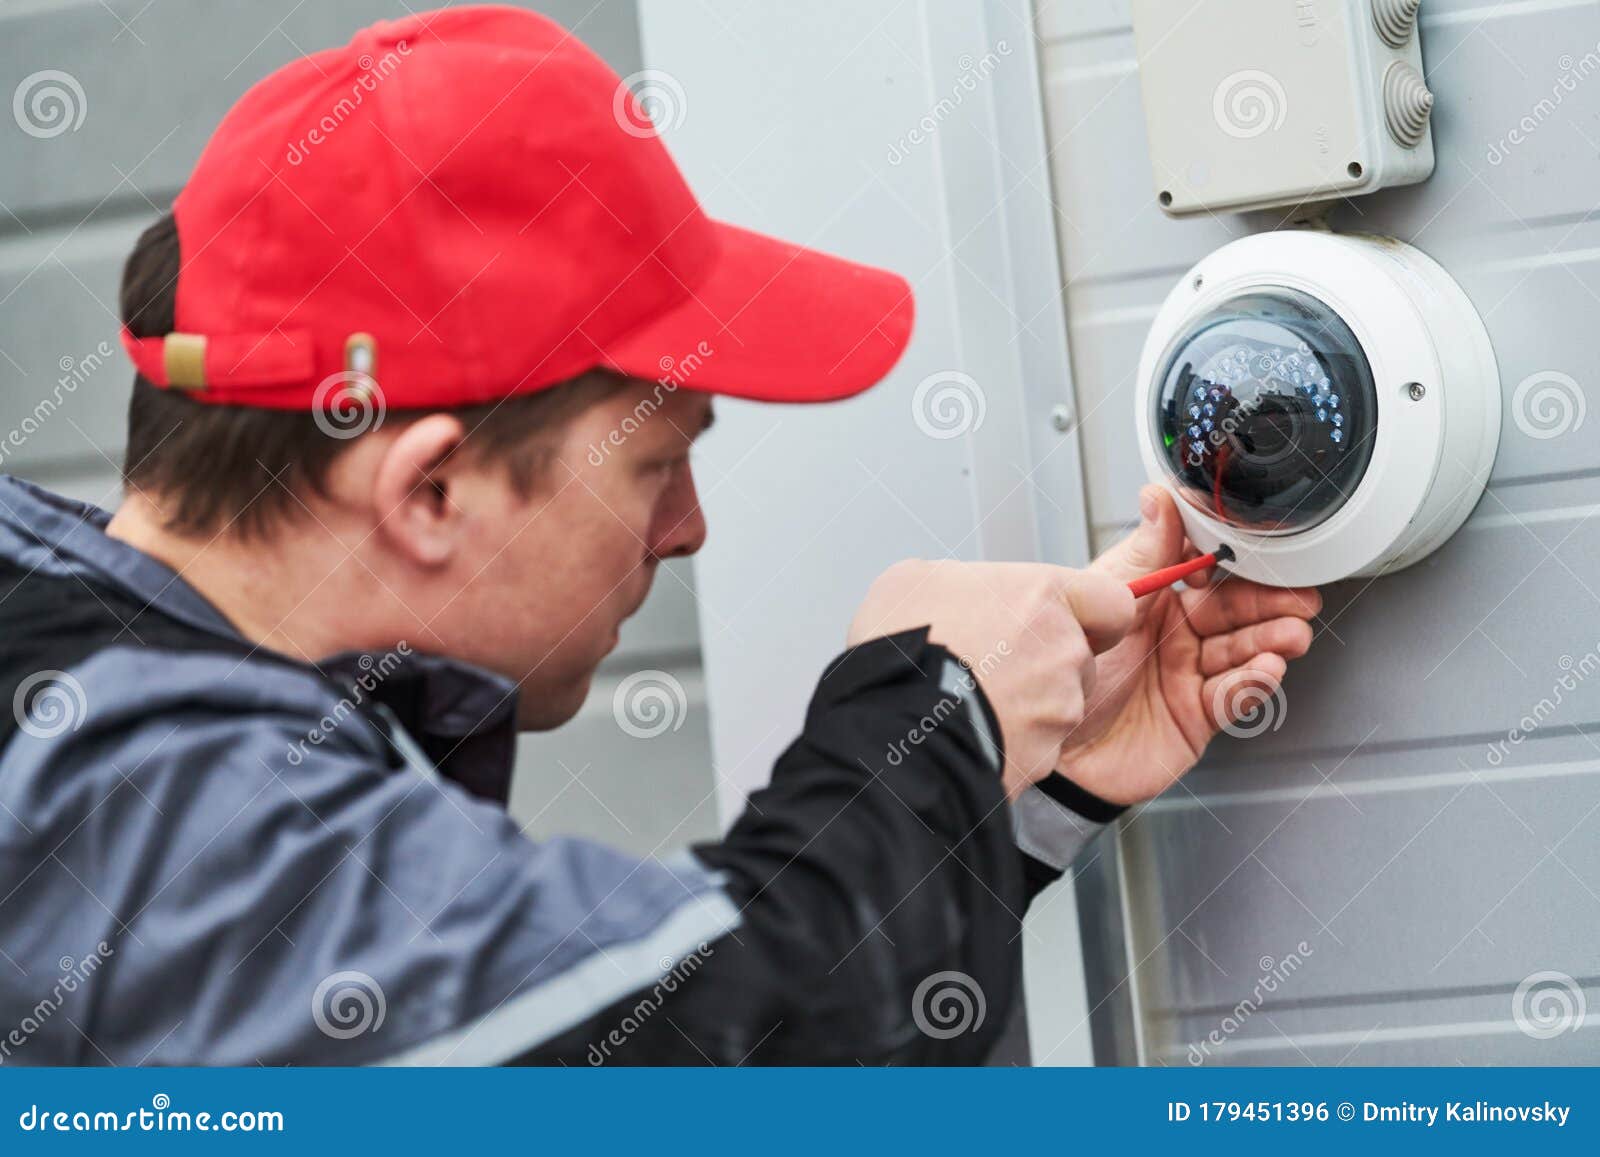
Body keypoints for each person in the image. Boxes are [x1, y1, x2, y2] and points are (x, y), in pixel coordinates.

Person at [0, 6, 1319, 1065]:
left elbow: (574, 1007)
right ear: (428, 494)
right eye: (662, 460)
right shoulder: (141, 815)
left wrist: (1008, 792)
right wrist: (932, 728)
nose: (687, 529)